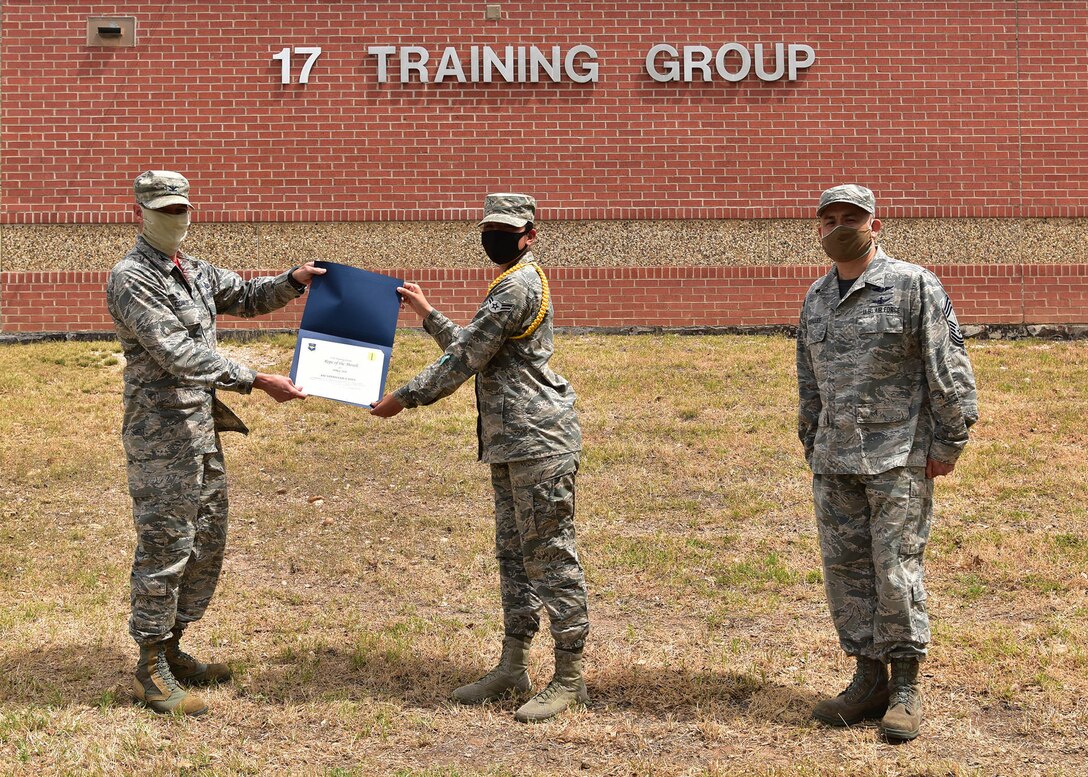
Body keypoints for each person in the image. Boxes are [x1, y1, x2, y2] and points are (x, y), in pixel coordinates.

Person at [106, 170, 325, 716]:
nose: (173, 218)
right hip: (161, 437)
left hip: (200, 431)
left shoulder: (194, 271)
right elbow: (176, 353)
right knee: (166, 546)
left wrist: (295, 279)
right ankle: (149, 667)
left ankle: (173, 646)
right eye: (162, 209)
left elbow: (247, 295)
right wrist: (255, 379)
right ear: (138, 213)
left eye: (179, 208)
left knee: (204, 542)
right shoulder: (133, 278)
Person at [370, 193, 590, 723]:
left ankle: (570, 677)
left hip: (538, 441)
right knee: (514, 556)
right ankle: (513, 667)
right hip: (513, 441)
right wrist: (427, 314)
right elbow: (480, 345)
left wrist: (404, 397)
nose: (496, 237)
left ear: (530, 234)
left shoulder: (517, 285)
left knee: (549, 556)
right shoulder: (511, 282)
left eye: (507, 230)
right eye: (490, 228)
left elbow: (466, 356)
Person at [796, 184, 978, 741]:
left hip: (898, 457)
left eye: (852, 218)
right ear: (818, 229)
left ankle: (904, 686)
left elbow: (947, 365)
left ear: (875, 225)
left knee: (896, 569)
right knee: (847, 573)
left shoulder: (913, 284)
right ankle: (867, 678)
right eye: (830, 219)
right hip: (835, 461)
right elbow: (809, 381)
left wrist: (948, 442)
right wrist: (812, 442)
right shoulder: (816, 296)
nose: (840, 227)